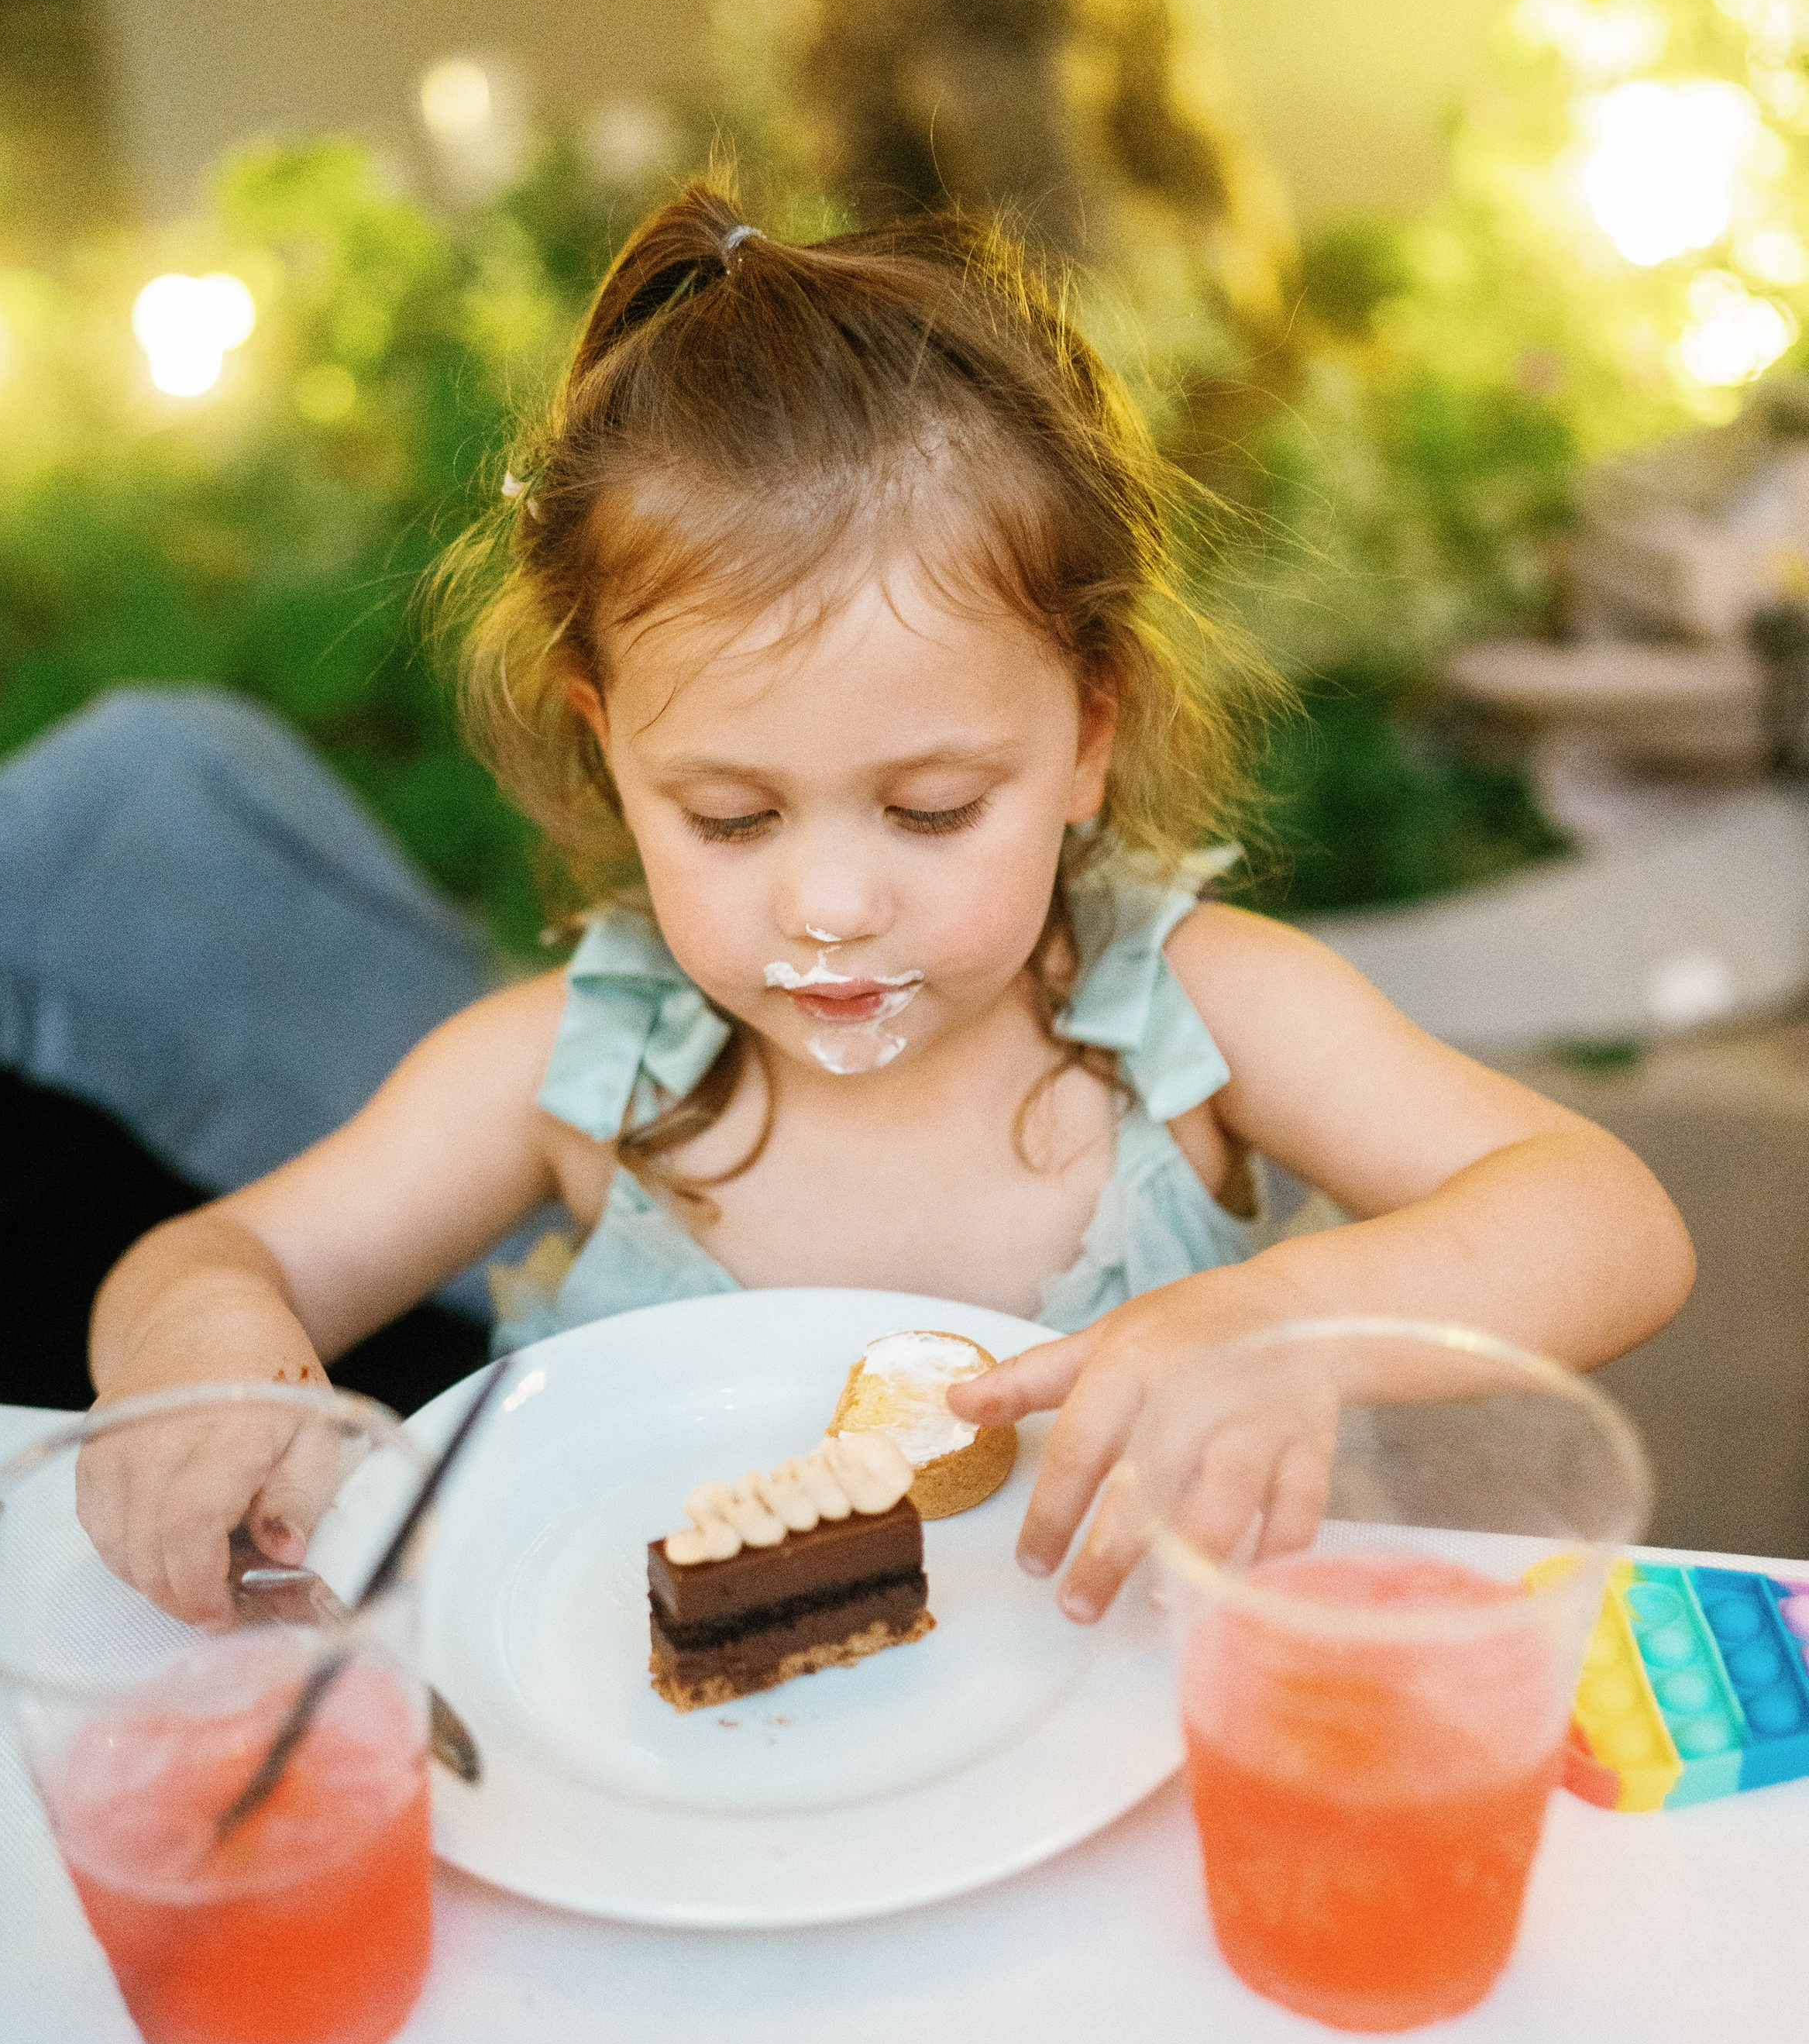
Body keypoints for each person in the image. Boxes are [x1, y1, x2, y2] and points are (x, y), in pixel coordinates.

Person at [87, 186, 1694, 1626]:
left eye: (931, 809)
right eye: (729, 817)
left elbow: (1608, 1221)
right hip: (683, 1797)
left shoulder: (1196, 1015)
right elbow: (220, 1254)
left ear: (1088, 734)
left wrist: (1280, 1317)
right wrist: (201, 1348)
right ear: (608, 746)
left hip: (1157, 1762)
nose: (832, 904)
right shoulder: (573, 1070)